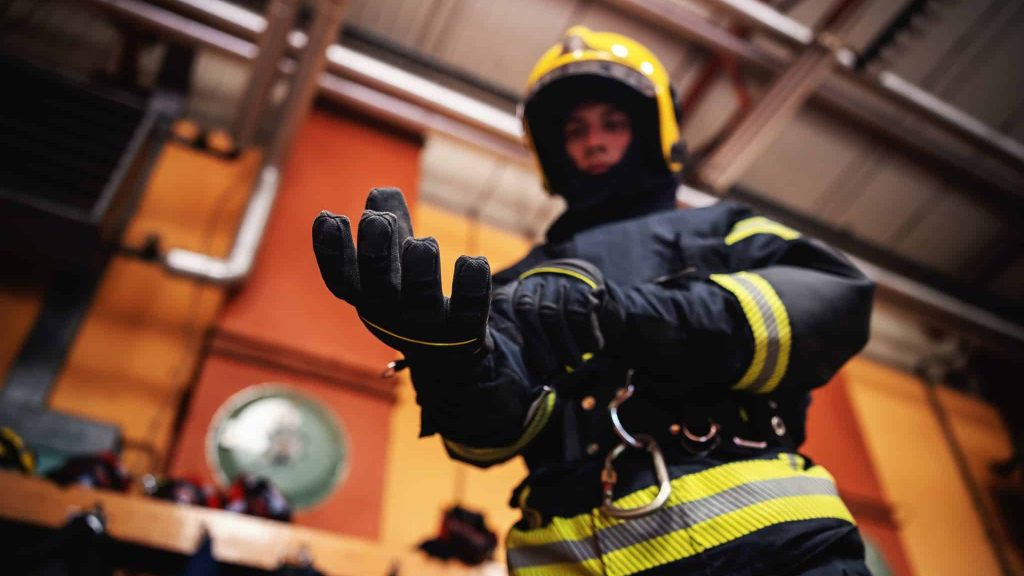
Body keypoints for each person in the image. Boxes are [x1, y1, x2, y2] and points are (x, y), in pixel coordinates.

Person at [313, 26, 874, 576]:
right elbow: (485, 442)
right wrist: (450, 367)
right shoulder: (517, 280)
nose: (593, 141)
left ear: (654, 132)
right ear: (552, 150)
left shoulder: (722, 229)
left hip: (770, 550)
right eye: (574, 130)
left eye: (614, 123)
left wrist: (625, 316)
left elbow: (832, 304)